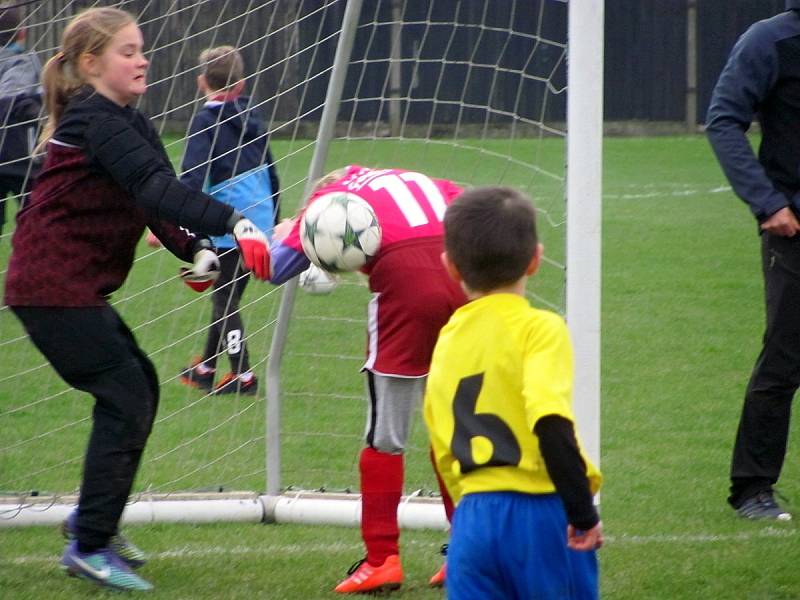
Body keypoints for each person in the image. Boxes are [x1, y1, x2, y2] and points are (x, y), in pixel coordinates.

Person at [3, 7, 269, 592]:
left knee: (138, 388)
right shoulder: (95, 121)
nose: (142, 59)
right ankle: (90, 543)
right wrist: (235, 223)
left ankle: (93, 524)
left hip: (66, 290)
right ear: (92, 64)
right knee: (127, 396)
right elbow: (155, 188)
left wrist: (198, 249)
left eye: (141, 49)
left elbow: (154, 200)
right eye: (127, 51)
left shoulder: (126, 121)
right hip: (49, 289)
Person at [267, 165, 467, 593]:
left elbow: (275, 267)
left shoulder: (329, 203)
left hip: (405, 292)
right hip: (466, 281)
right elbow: (473, 212)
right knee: (457, 428)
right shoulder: (422, 179)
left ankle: (382, 560)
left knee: (385, 437)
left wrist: (285, 231)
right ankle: (469, 551)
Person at [423, 186, 603, 600]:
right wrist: (581, 511)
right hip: (540, 513)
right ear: (536, 259)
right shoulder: (540, 329)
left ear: (450, 268)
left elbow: (439, 439)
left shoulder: (447, 338)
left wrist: (470, 509)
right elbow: (550, 421)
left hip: (471, 521)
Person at [706, 0, 800, 521]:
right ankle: (752, 488)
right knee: (785, 360)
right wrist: (770, 204)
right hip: (794, 228)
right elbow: (723, 120)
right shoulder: (770, 40)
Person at [177, 45, 280, 396]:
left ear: (200, 82)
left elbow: (192, 176)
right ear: (243, 83)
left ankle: (243, 376)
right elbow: (272, 169)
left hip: (230, 223)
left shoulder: (204, 121)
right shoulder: (253, 114)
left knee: (224, 300)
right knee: (226, 295)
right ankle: (206, 368)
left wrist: (175, 222)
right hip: (261, 218)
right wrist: (273, 221)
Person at [0, 2, 42, 236]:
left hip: (15, 158)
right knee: (38, 216)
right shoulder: (21, 62)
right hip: (21, 157)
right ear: (22, 33)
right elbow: (12, 97)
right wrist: (34, 109)